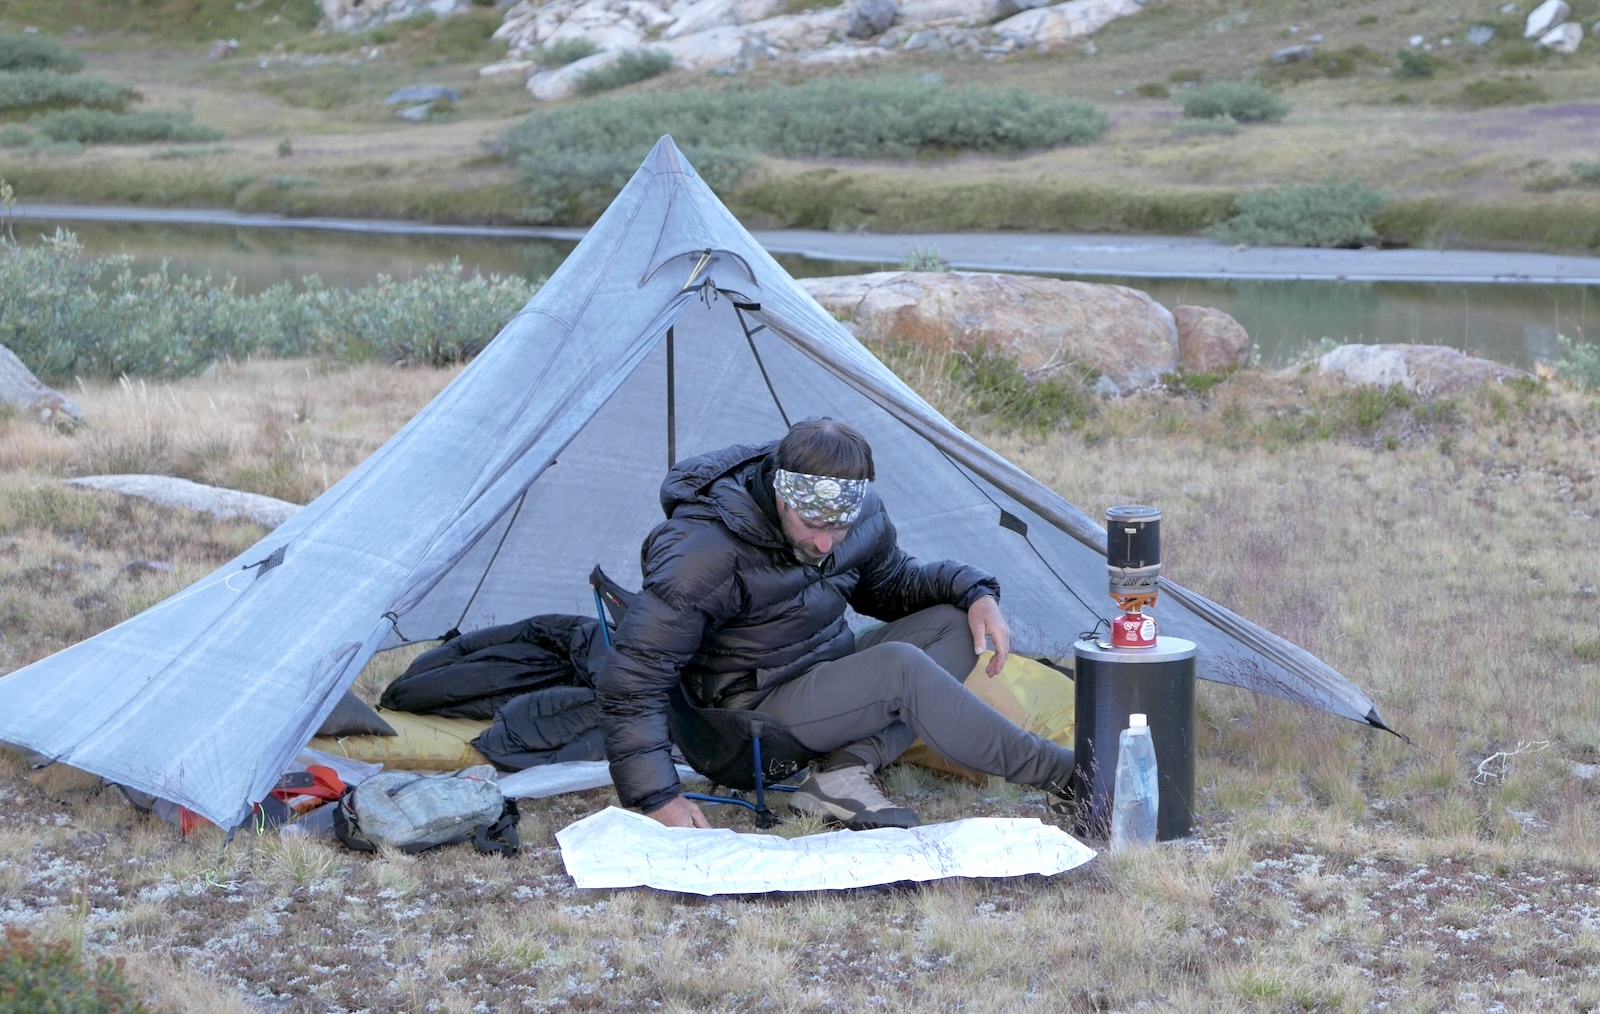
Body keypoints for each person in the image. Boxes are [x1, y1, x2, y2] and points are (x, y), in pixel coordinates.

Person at [596, 417, 1077, 830]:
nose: (826, 545)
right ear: (782, 497)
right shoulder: (702, 551)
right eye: (812, 526)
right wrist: (656, 796)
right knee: (899, 668)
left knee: (952, 625)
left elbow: (891, 587)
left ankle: (843, 771)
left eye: (838, 530)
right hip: (747, 722)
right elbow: (633, 677)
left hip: (824, 673)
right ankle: (1073, 777)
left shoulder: (860, 513)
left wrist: (974, 592)